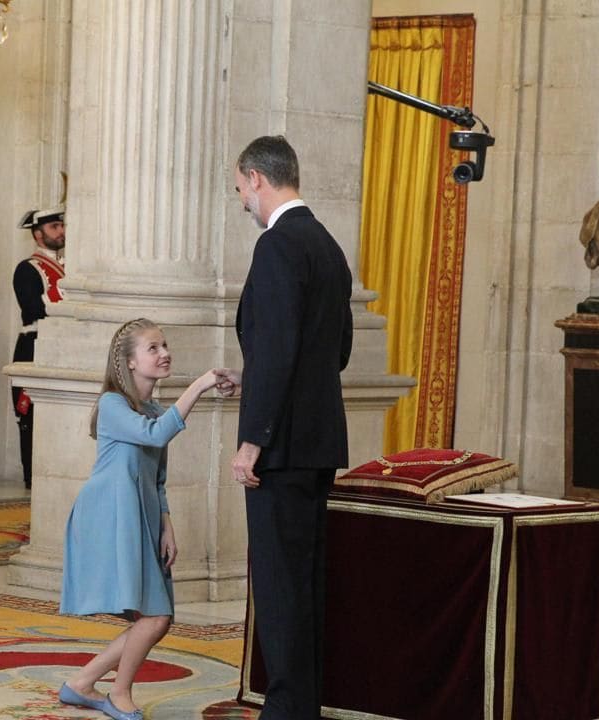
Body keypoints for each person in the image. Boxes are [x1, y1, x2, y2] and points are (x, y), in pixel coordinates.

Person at [217, 135, 354, 720]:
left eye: (240, 188)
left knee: (279, 586)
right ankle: (303, 706)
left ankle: (287, 711)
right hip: (317, 439)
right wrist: (261, 385)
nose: (242, 200)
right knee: (305, 582)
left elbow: (275, 350)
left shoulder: (277, 247)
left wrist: (254, 440)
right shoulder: (326, 244)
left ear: (256, 179)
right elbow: (334, 350)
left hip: (280, 447)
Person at [58, 318, 219, 720]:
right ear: (129, 362)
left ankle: (82, 683)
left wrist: (167, 524)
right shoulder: (112, 405)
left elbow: (158, 478)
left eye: (164, 346)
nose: (164, 353)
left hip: (142, 513)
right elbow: (156, 435)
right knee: (155, 615)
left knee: (156, 616)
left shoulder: (154, 409)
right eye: (153, 348)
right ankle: (119, 693)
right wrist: (199, 385)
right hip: (110, 514)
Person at [11, 207, 66, 489]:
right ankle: (32, 476)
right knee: (30, 415)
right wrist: (65, 293)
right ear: (38, 233)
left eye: (62, 226)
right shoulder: (27, 269)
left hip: (65, 345)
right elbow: (33, 309)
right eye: (55, 227)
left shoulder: (70, 267)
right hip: (35, 343)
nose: (61, 232)